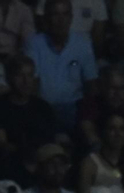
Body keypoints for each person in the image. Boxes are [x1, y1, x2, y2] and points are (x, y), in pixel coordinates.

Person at [24, 0, 99, 131]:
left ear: (71, 18)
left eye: (65, 14)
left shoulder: (83, 42)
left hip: (74, 109)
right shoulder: (34, 43)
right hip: (44, 109)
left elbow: (91, 83)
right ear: (47, 18)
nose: (61, 20)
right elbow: (32, 83)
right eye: (55, 14)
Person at [0, 57, 55, 183]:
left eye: (29, 75)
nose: (26, 81)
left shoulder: (43, 107)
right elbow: (1, 143)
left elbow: (53, 139)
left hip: (43, 161)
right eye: (19, 75)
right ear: (8, 78)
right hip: (11, 163)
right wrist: (26, 152)